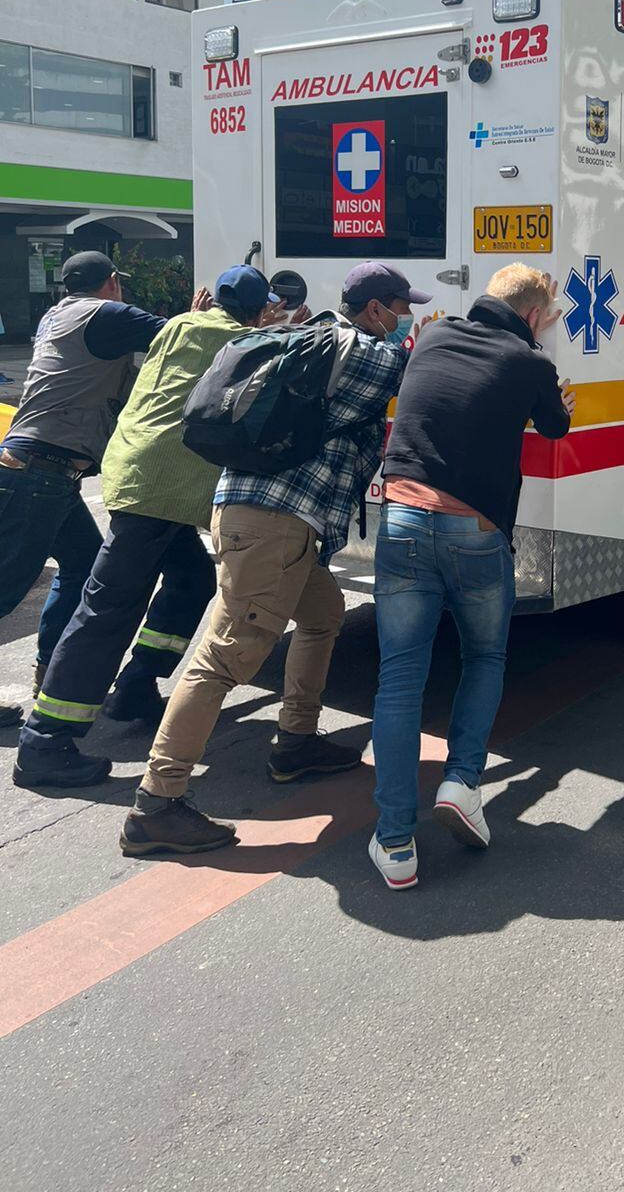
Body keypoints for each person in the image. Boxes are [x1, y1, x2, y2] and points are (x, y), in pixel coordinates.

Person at [117, 263, 428, 855]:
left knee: (324, 611)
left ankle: (296, 742)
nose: (406, 317)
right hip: (271, 526)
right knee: (223, 659)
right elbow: (418, 370)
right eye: (401, 306)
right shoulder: (359, 351)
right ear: (375, 309)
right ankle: (156, 803)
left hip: (266, 518)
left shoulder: (306, 337)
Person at [13, 268, 286, 789]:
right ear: (255, 311)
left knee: (191, 578)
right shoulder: (242, 340)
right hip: (164, 485)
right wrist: (270, 326)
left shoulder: (182, 325)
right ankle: (45, 741)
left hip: (139, 474)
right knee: (109, 606)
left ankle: (136, 686)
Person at [367, 265, 573, 891]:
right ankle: (462, 781)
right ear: (534, 315)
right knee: (484, 655)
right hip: (476, 534)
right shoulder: (530, 361)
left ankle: (396, 842)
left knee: (400, 678)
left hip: (401, 517)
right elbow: (555, 429)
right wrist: (552, 397)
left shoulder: (431, 335)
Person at [0, 252, 187, 727]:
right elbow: (181, 335)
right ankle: (52, 675)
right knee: (7, 587)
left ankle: (50, 673)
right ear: (113, 283)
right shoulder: (105, 313)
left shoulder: (57, 316)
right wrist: (204, 313)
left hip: (42, 470)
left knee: (83, 562)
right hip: (41, 471)